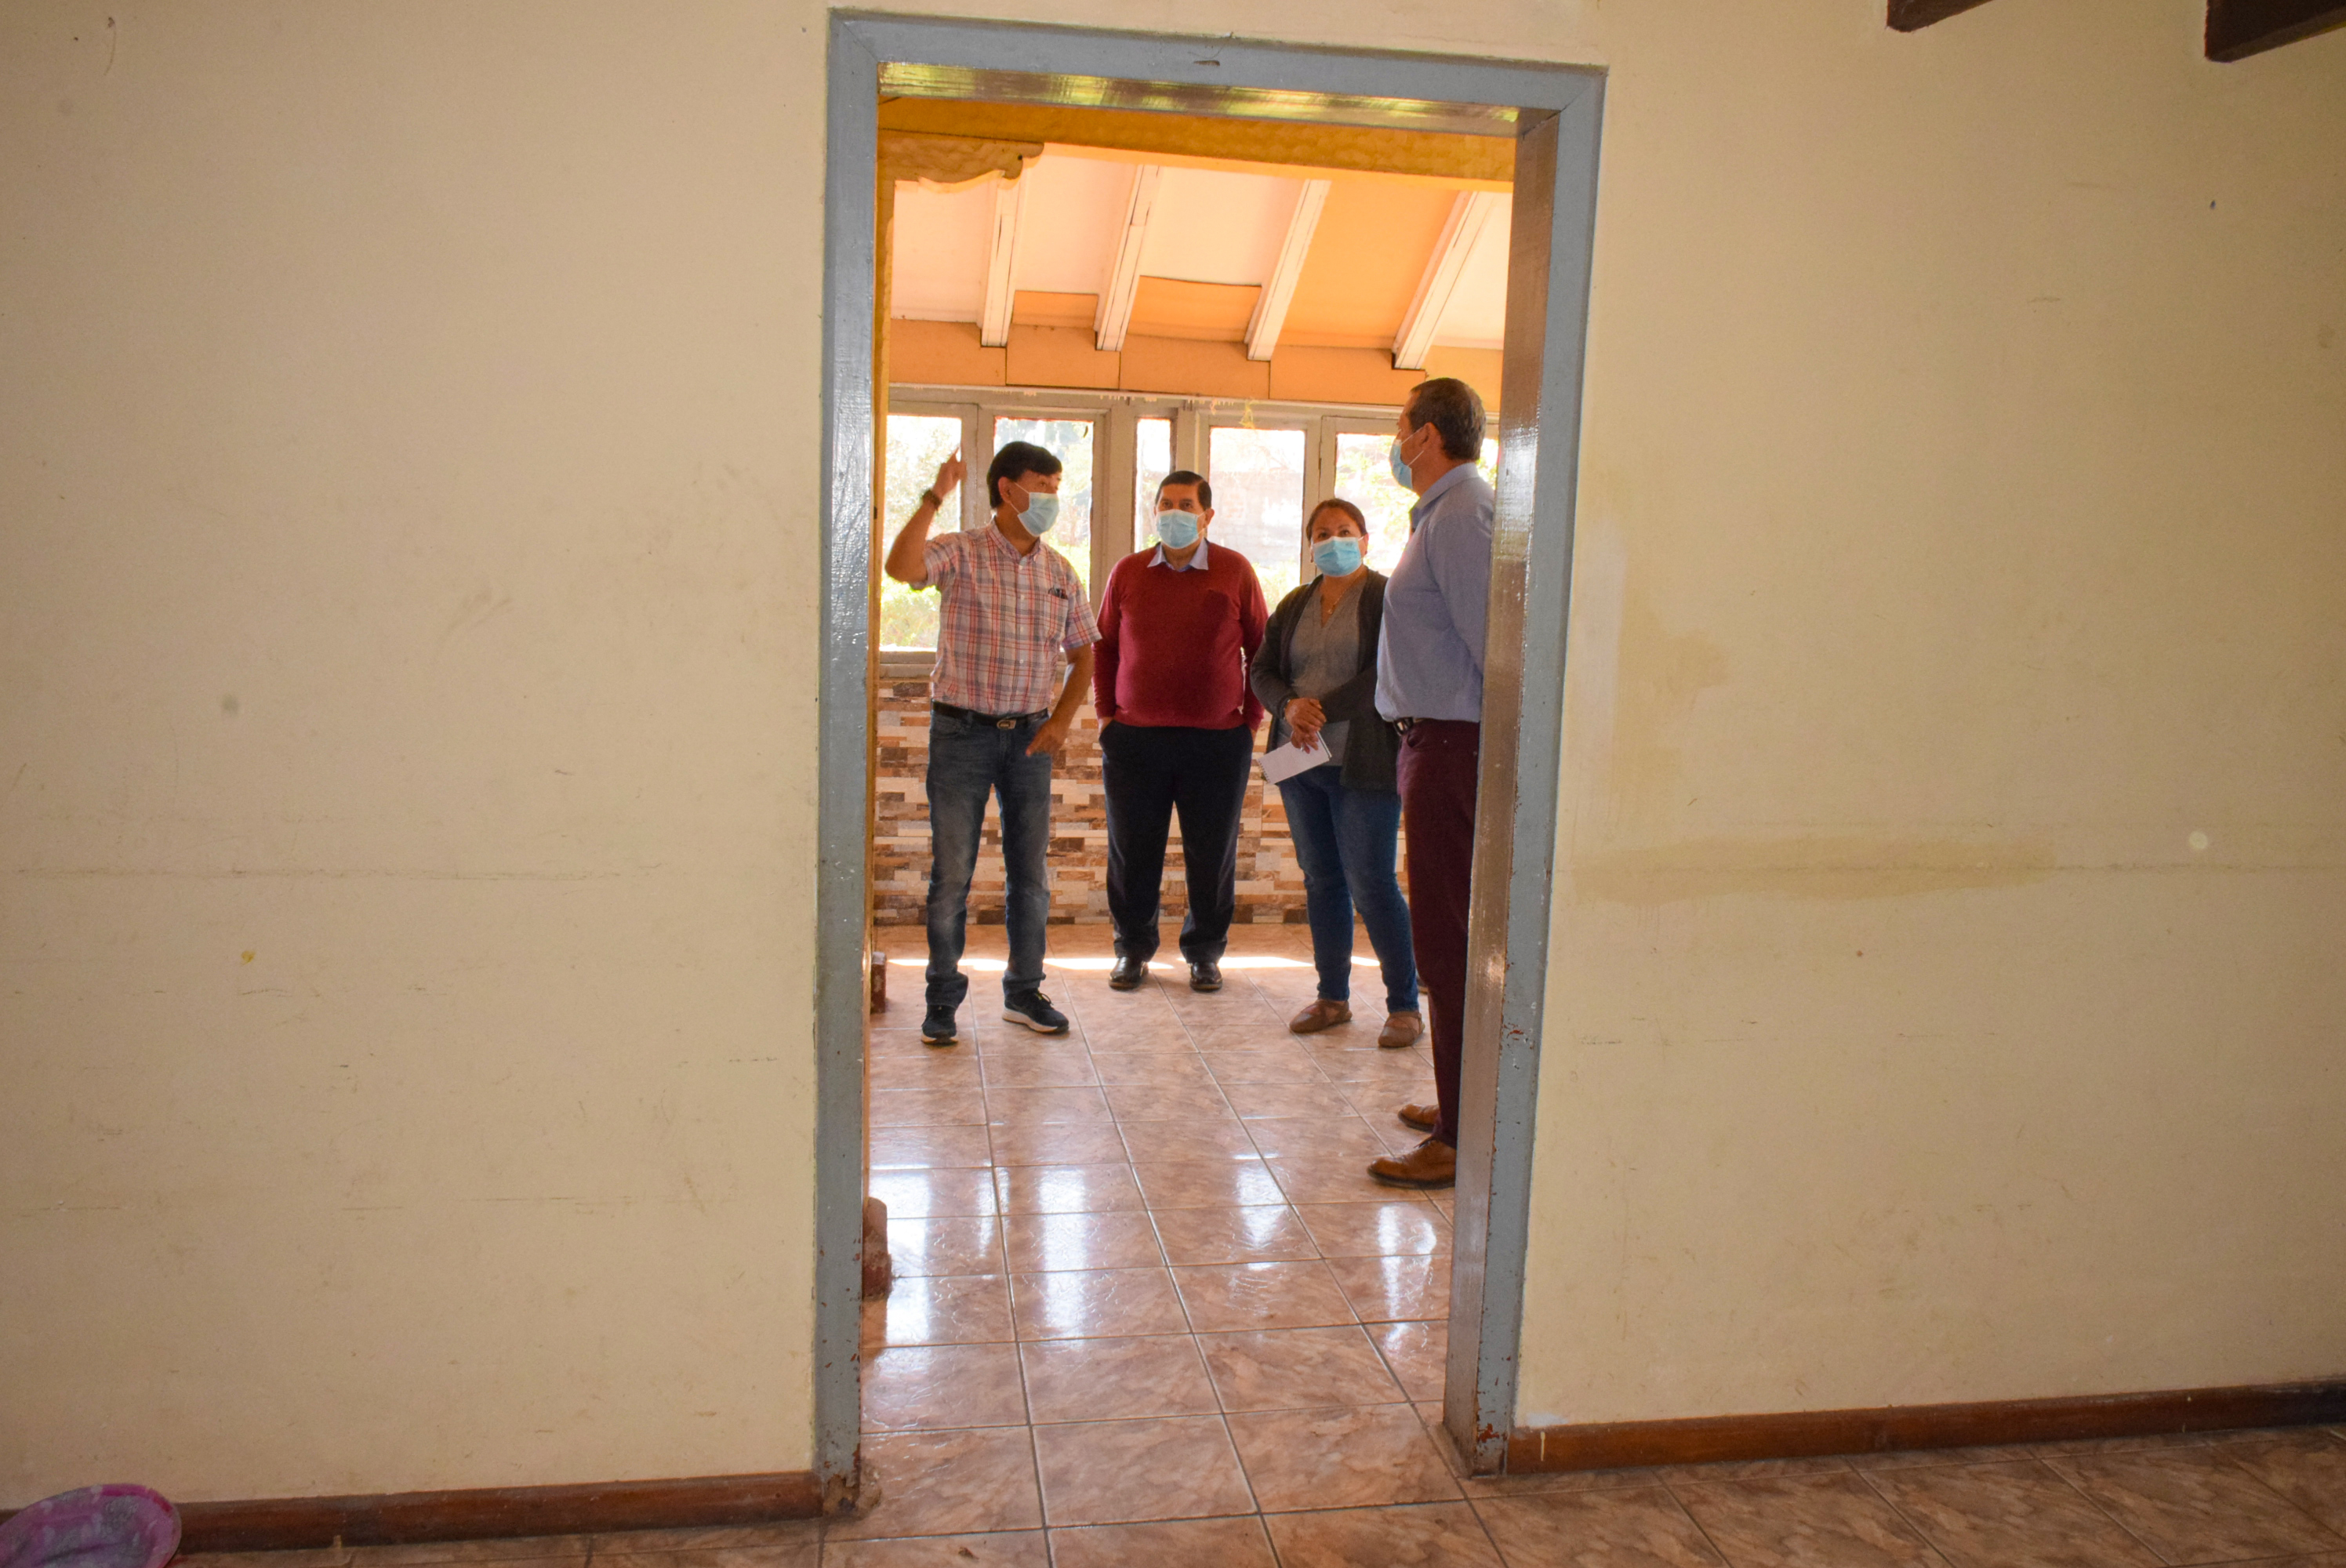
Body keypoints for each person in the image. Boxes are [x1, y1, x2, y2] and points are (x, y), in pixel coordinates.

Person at [882, 441, 1097, 1045]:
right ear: (1008, 489)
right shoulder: (962, 551)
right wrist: (935, 495)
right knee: (952, 875)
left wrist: (1060, 722)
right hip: (962, 736)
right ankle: (942, 1000)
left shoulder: (1060, 572)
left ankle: (1024, 993)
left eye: (1057, 488)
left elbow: (1084, 656)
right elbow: (900, 568)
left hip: (1029, 739)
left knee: (1031, 877)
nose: (1052, 498)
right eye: (1043, 486)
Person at [1366, 379, 1493, 1190]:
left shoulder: (1462, 515)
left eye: (1401, 425)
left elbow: (1498, 650)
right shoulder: (1442, 514)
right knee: (1442, 939)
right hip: (1433, 742)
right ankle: (1459, 1100)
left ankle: (1461, 1133)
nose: (1396, 439)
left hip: (1456, 745)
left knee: (1446, 941)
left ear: (1428, 435)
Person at [1251, 499, 1423, 1048]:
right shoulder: (1295, 602)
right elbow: (1262, 670)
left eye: (1344, 531)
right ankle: (1332, 998)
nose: (1333, 541)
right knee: (1321, 879)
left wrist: (1317, 711)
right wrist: (1288, 707)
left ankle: (1404, 1006)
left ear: (1365, 540)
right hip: (1300, 762)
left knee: (1372, 883)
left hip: (1363, 764)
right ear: (1310, 546)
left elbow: (1387, 671)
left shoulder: (1387, 597)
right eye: (1322, 534)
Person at [1091, 470, 1269, 993]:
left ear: (1207, 516)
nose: (1174, 513)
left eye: (1185, 505)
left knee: (1211, 854)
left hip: (1217, 742)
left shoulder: (1235, 571)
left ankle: (1205, 952)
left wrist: (1250, 721)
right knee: (1132, 852)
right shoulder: (1127, 572)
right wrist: (1106, 717)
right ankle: (1132, 950)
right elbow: (1105, 646)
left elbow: (1262, 649)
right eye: (1165, 504)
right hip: (1134, 740)